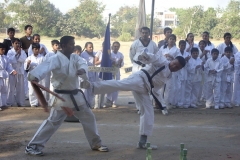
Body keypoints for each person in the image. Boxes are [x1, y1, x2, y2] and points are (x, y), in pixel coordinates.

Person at [82, 50, 186, 149]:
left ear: (179, 69)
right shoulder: (163, 61)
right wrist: (145, 56)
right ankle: (92, 86)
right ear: (172, 60)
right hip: (139, 79)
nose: (174, 66)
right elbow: (153, 58)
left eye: (177, 67)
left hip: (145, 89)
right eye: (174, 63)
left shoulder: (169, 76)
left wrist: (161, 104)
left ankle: (142, 142)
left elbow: (156, 89)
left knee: (149, 112)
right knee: (119, 84)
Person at [25, 36, 108, 156]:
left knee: (89, 118)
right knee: (52, 122)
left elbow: (83, 64)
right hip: (61, 99)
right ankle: (33, 146)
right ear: (63, 46)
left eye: (73, 44)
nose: (73, 46)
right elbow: (43, 68)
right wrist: (36, 76)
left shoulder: (75, 57)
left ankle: (96, 143)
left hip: (76, 97)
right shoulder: (55, 59)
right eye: (70, 44)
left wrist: (82, 70)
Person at [129, 27, 158, 114]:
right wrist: (137, 63)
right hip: (137, 66)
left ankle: (148, 106)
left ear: (149, 34)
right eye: (143, 33)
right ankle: (139, 107)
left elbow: (156, 55)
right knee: (135, 86)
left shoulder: (153, 44)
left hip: (149, 67)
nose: (144, 34)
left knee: (149, 87)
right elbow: (131, 55)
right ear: (140, 33)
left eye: (146, 33)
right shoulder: (135, 43)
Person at [159, 34, 179, 108]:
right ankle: (159, 103)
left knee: (169, 87)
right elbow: (158, 56)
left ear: (175, 41)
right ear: (168, 40)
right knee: (161, 87)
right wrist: (164, 57)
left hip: (171, 69)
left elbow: (178, 59)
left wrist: (171, 57)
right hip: (162, 69)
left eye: (173, 39)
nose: (171, 40)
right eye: (170, 39)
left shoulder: (176, 50)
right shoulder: (162, 48)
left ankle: (166, 103)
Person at [6, 38, 27, 107]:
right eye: (16, 43)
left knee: (20, 88)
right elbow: (9, 61)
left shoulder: (22, 52)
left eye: (18, 43)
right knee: (11, 88)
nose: (18, 45)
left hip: (20, 71)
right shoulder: (10, 52)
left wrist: (19, 54)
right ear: (12, 44)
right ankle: (9, 102)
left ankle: (20, 102)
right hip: (12, 71)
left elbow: (24, 59)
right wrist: (16, 54)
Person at [105, 41, 124, 108]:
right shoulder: (109, 54)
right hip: (110, 72)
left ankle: (114, 101)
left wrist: (120, 62)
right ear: (112, 46)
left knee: (116, 86)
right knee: (109, 85)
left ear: (119, 47)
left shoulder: (120, 54)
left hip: (117, 72)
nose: (116, 47)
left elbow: (121, 65)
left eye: (117, 46)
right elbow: (107, 62)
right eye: (115, 46)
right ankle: (108, 100)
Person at [80, 42, 98, 108]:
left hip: (93, 73)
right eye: (89, 47)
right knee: (85, 89)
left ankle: (90, 103)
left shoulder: (95, 53)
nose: (91, 48)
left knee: (92, 88)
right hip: (86, 73)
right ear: (86, 47)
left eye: (92, 47)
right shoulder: (83, 54)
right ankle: (85, 103)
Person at [0, 43, 16, 111]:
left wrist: (12, 71)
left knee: (4, 90)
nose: (3, 51)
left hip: (3, 75)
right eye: (2, 49)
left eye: (4, 49)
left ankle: (3, 103)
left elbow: (8, 66)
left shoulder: (4, 57)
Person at [175, 40, 191, 108]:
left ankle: (182, 102)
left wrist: (186, 60)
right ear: (179, 46)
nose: (183, 47)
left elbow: (189, 65)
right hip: (178, 72)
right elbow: (176, 62)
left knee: (183, 89)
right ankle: (177, 102)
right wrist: (184, 60)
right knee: (178, 88)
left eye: (184, 46)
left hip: (184, 73)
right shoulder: (176, 53)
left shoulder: (187, 54)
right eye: (182, 45)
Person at [20, 25, 33, 101]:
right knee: (25, 78)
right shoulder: (22, 39)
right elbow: (21, 49)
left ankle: (31, 94)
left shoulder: (33, 39)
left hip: (32, 59)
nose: (30, 30)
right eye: (29, 29)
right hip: (25, 59)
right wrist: (28, 50)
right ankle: (25, 94)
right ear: (25, 30)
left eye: (31, 29)